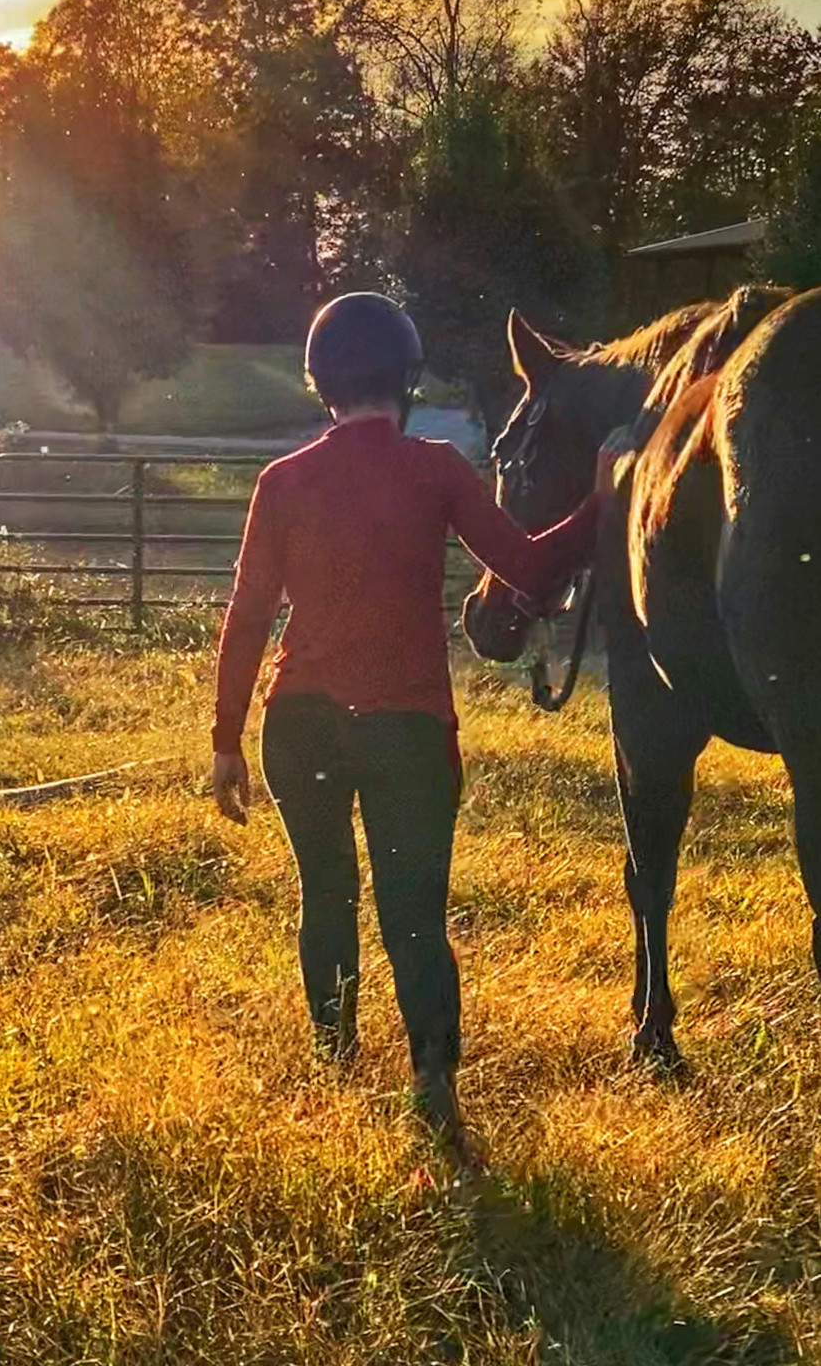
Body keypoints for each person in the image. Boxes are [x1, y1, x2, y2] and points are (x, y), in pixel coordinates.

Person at [210, 292, 616, 1145]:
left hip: (299, 724)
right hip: (407, 728)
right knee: (414, 912)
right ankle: (432, 1081)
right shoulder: (436, 470)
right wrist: (605, 497)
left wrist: (225, 742)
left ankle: (333, 1062)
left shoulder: (280, 483)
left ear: (320, 382)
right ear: (407, 375)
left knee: (325, 894)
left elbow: (248, 617)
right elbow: (532, 568)